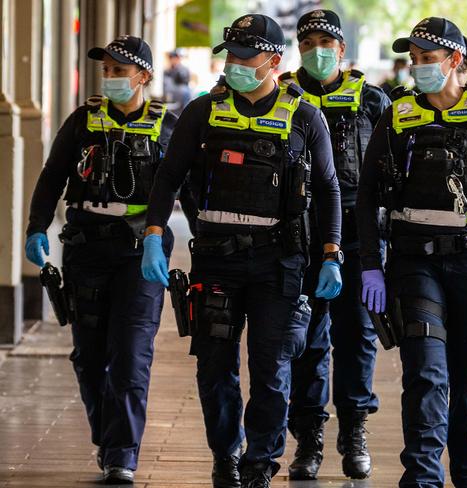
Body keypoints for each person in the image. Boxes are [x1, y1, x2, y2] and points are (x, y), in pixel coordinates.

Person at [139, 14, 343, 488]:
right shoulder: (202, 112)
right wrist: (153, 233)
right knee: (214, 368)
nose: (235, 65)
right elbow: (168, 177)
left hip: (278, 263)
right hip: (215, 259)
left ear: (274, 62)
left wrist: (331, 252)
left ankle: (259, 464)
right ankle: (225, 453)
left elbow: (330, 188)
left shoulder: (303, 116)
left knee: (272, 370)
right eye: (230, 56)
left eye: (246, 58)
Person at [356, 17, 467, 487]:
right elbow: (367, 194)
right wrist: (372, 266)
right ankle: (423, 478)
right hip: (414, 261)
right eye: (413, 60)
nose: (417, 68)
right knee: (426, 374)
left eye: (427, 59)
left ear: (454, 60)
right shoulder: (397, 114)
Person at [23, 36, 177, 484]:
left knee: (130, 355)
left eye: (119, 71)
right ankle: (108, 439)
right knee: (89, 358)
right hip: (86, 248)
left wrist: (196, 245)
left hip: (140, 254)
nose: (110, 78)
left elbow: (186, 185)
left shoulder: (167, 126)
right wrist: (36, 227)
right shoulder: (82, 122)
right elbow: (52, 176)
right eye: (105, 70)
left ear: (143, 76)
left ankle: (122, 454)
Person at [277, 9, 391, 481]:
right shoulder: (282, 96)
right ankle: (308, 438)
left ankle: (355, 429)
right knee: (305, 340)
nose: (317, 52)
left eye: (326, 44)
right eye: (307, 45)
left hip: (360, 237)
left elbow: (394, 168)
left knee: (358, 338)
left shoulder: (372, 101)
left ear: (341, 50)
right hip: (299, 236)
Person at [163, 49, 192, 116]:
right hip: (171, 94)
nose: (173, 60)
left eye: (175, 58)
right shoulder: (167, 71)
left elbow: (185, 81)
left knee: (185, 91)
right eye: (171, 58)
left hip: (181, 93)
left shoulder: (183, 69)